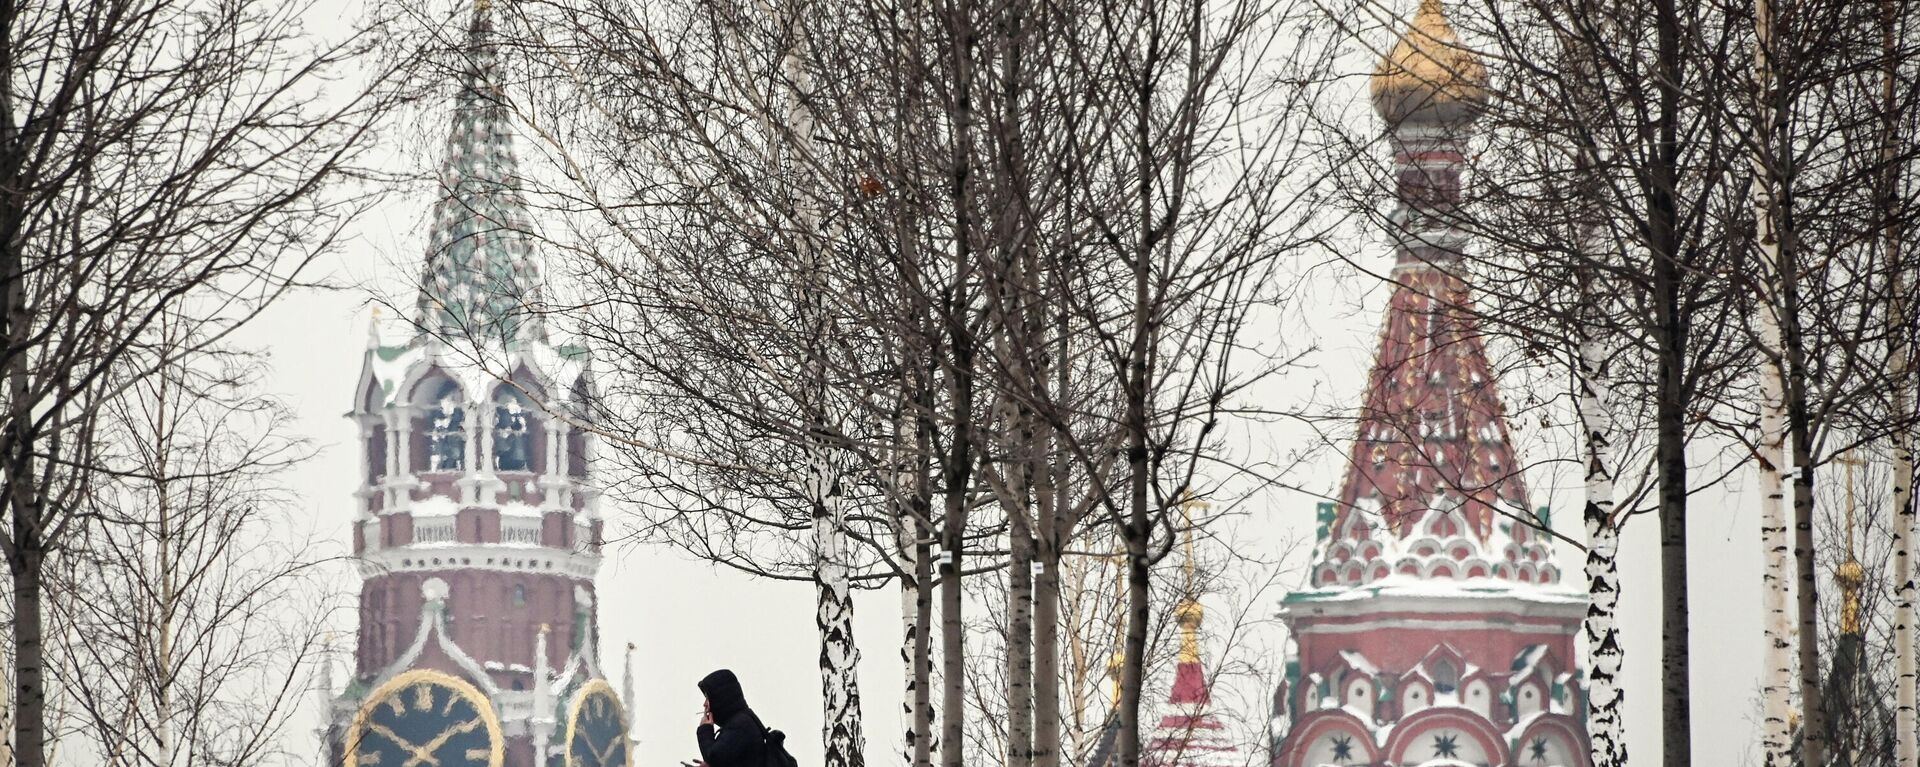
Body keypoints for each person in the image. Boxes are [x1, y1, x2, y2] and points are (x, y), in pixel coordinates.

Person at [694, 669, 766, 767]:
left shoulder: (741, 724)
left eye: (708, 698)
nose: (705, 704)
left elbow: (714, 757)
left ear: (720, 698)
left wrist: (705, 729)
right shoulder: (740, 721)